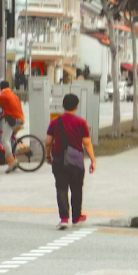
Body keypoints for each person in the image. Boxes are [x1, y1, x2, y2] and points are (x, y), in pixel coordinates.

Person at [45, 93, 96, 230]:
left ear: (63, 106)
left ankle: (64, 219)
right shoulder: (81, 122)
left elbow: (48, 142)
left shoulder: (55, 122)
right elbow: (87, 143)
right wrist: (93, 159)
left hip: (59, 160)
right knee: (76, 189)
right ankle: (76, 217)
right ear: (76, 107)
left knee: (61, 188)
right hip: (76, 161)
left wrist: (48, 156)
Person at [0, 80, 25, 172]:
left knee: (4, 140)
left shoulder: (3, 96)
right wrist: (2, 115)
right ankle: (13, 154)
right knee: (9, 139)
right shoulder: (14, 95)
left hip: (13, 120)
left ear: (1, 88)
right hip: (20, 119)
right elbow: (12, 108)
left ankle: (12, 162)